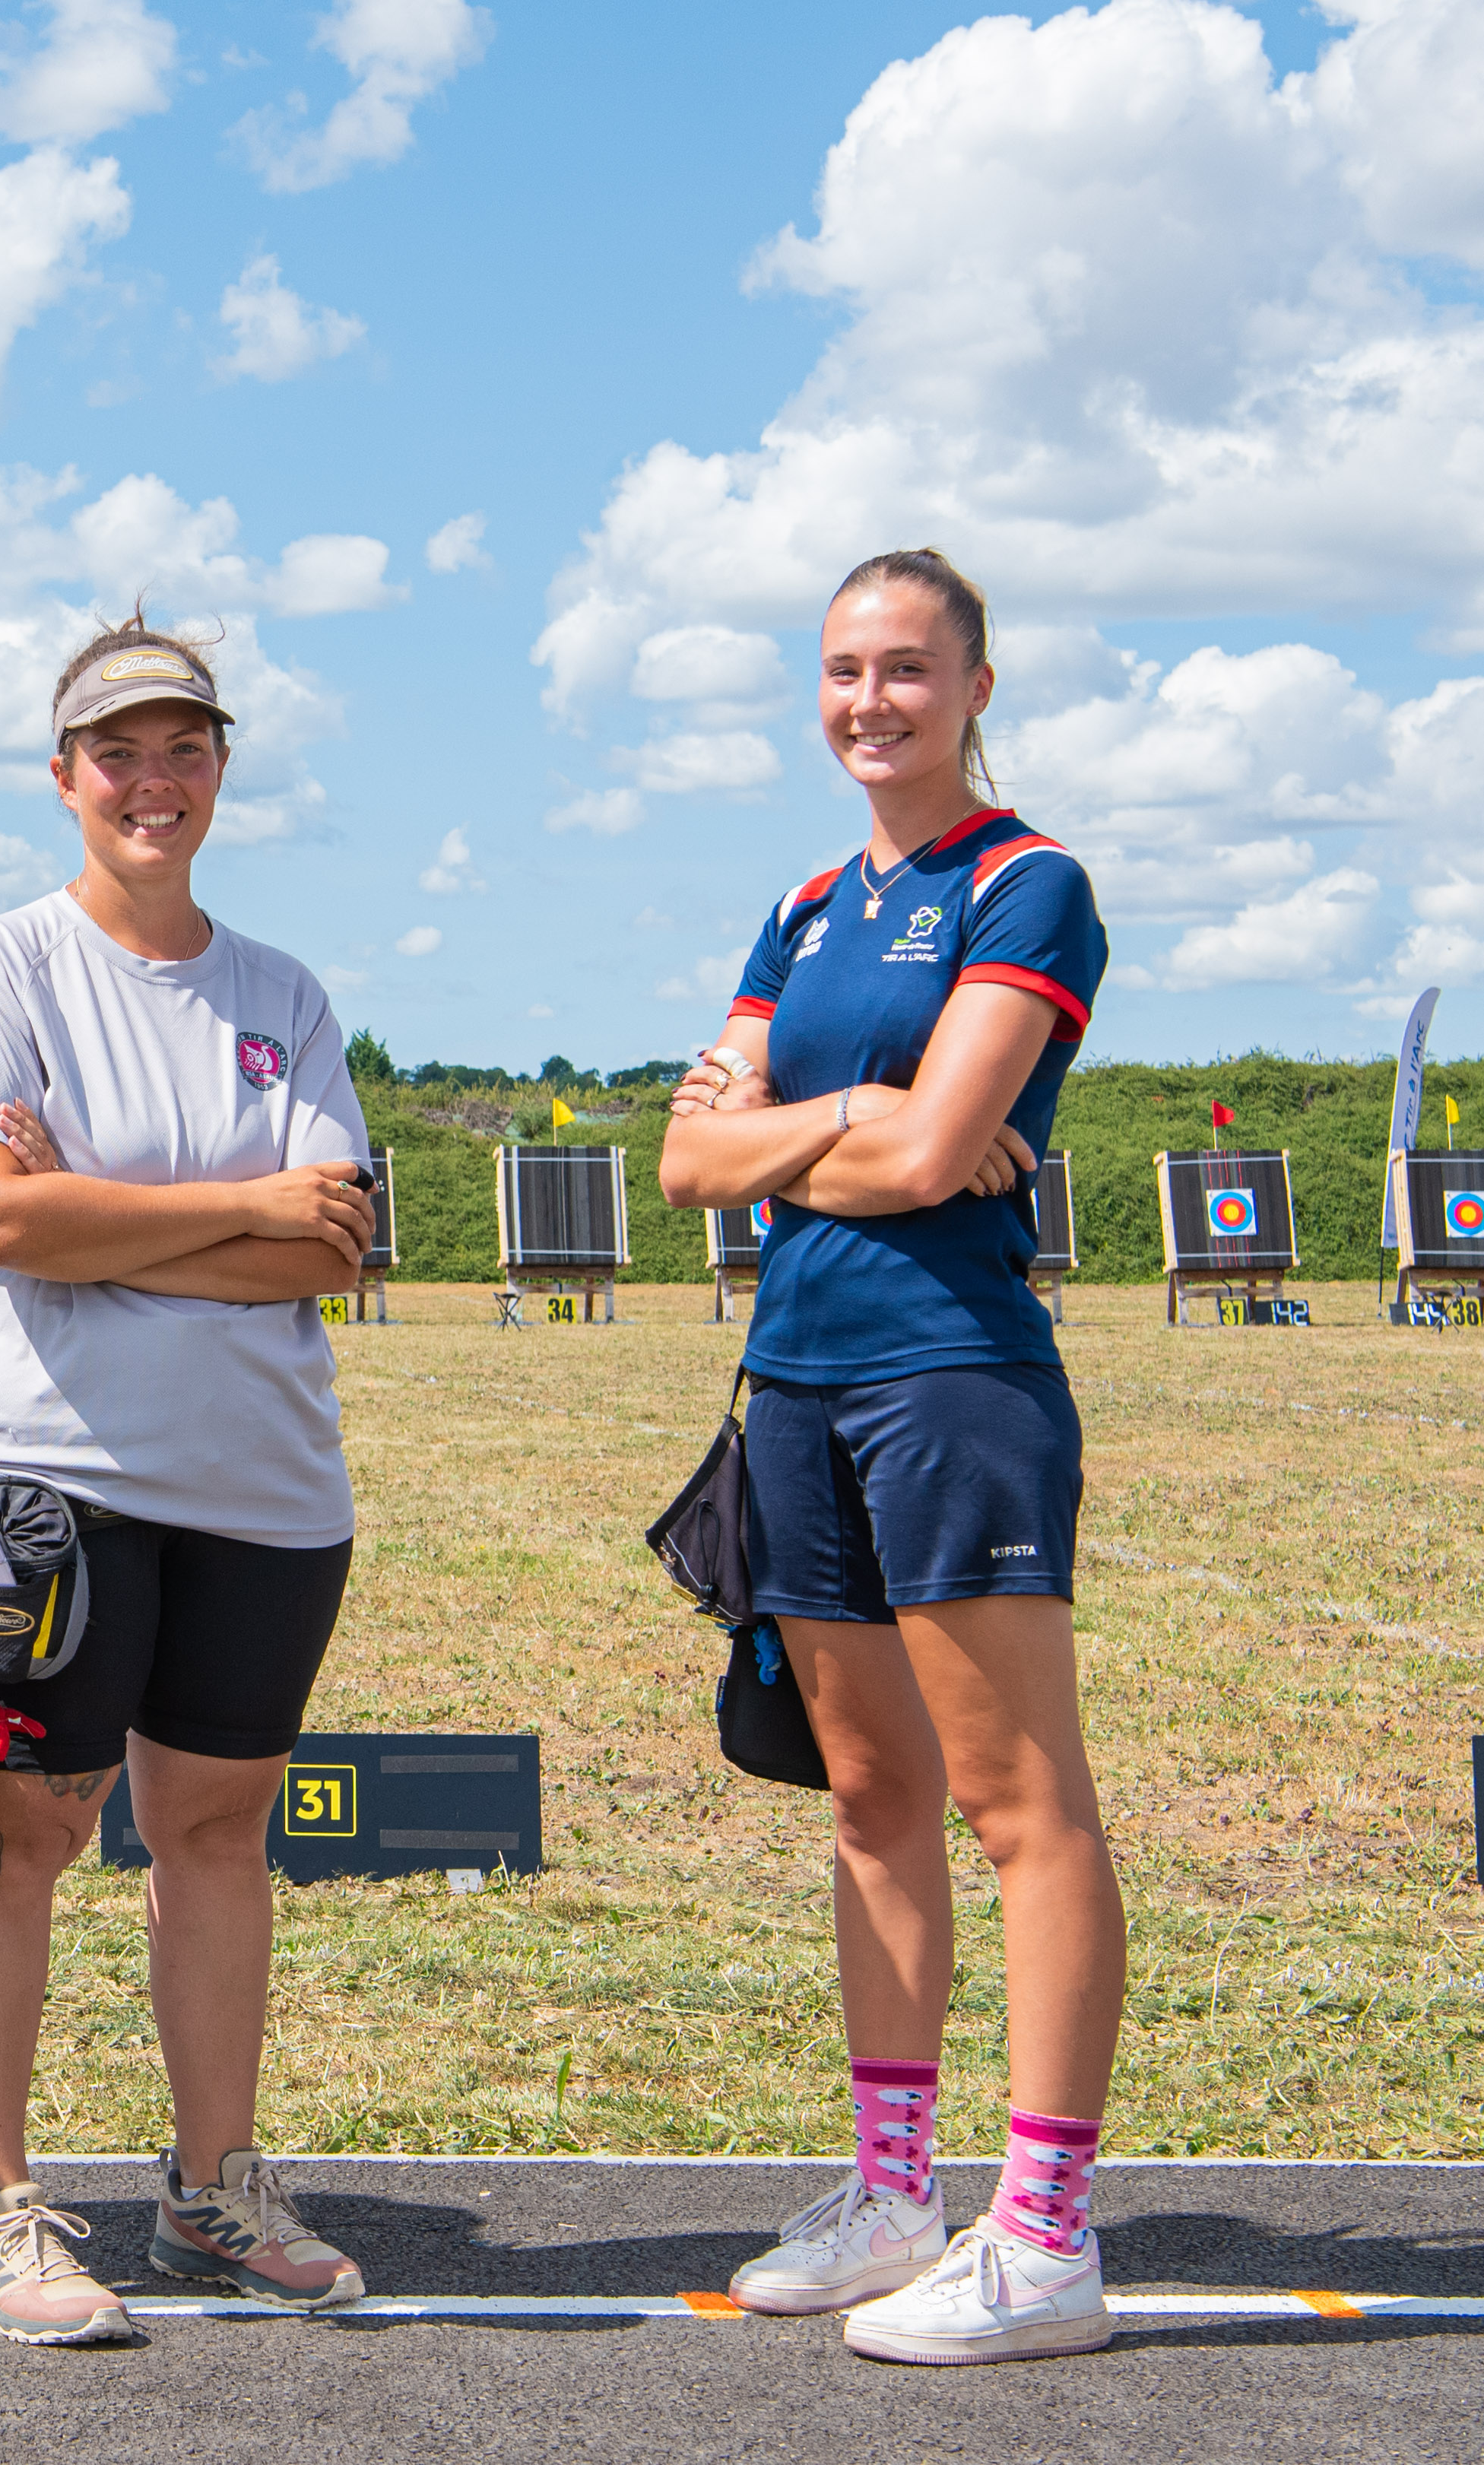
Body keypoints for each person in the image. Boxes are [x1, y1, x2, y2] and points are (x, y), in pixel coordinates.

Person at [659, 547, 1119, 2367]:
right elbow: (690, 1169)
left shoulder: (1027, 884)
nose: (870, 700)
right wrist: (851, 1108)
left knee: (1021, 1810)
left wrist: (831, 1125)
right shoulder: (797, 904)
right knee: (866, 1802)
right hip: (792, 1382)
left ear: (974, 684)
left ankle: (1043, 2230)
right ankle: (888, 2191)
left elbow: (941, 1162)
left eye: (905, 669)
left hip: (950, 1382)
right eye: (843, 669)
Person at [0, 617, 379, 2346]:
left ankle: (203, 2190)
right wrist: (232, 1206)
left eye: (181, 748)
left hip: (258, 1490)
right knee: (9, 1834)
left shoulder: (280, 994)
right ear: (61, 777)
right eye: (116, 752)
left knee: (210, 1833)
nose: (150, 781)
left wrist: (103, 1221)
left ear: (218, 769)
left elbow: (326, 1249)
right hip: (33, 1483)